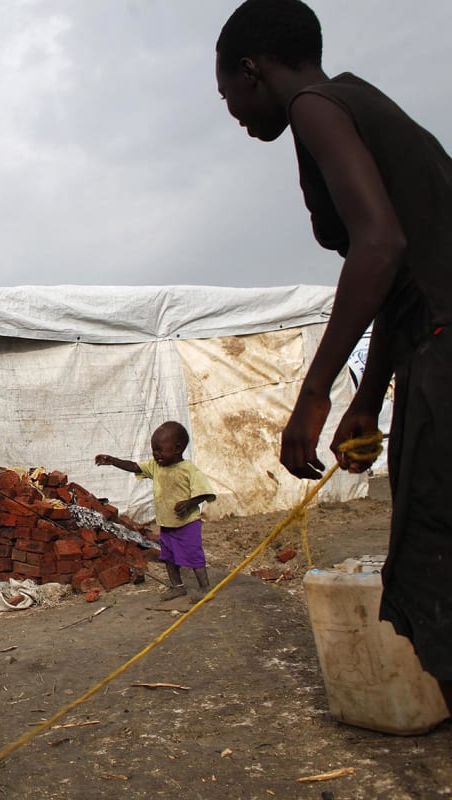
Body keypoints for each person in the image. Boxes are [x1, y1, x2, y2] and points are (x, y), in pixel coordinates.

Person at [215, 0, 452, 703]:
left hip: (443, 354)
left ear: (250, 71)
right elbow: (396, 280)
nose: (229, 109)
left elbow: (379, 246)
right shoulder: (363, 102)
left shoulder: (316, 107)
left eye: (224, 89)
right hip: (428, 344)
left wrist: (314, 395)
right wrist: (368, 400)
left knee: (435, 573)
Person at [96, 422, 216, 602]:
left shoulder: (188, 469)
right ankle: (177, 587)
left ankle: (205, 588)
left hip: (187, 524)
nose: (155, 454)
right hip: (167, 524)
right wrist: (113, 461)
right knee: (168, 556)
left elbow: (205, 491)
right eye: (154, 450)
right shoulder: (156, 466)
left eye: (160, 449)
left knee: (193, 554)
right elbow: (135, 467)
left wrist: (190, 503)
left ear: (177, 448)